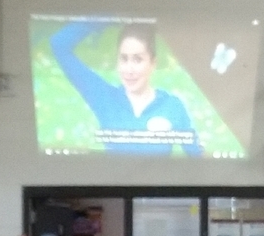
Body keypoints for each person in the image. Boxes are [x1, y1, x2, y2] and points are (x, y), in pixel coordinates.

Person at [49, 19, 202, 155]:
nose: (129, 70)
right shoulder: (104, 98)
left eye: (137, 59)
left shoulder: (172, 106)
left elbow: (197, 161)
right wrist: (106, 18)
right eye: (124, 59)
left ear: (153, 63)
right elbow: (59, 45)